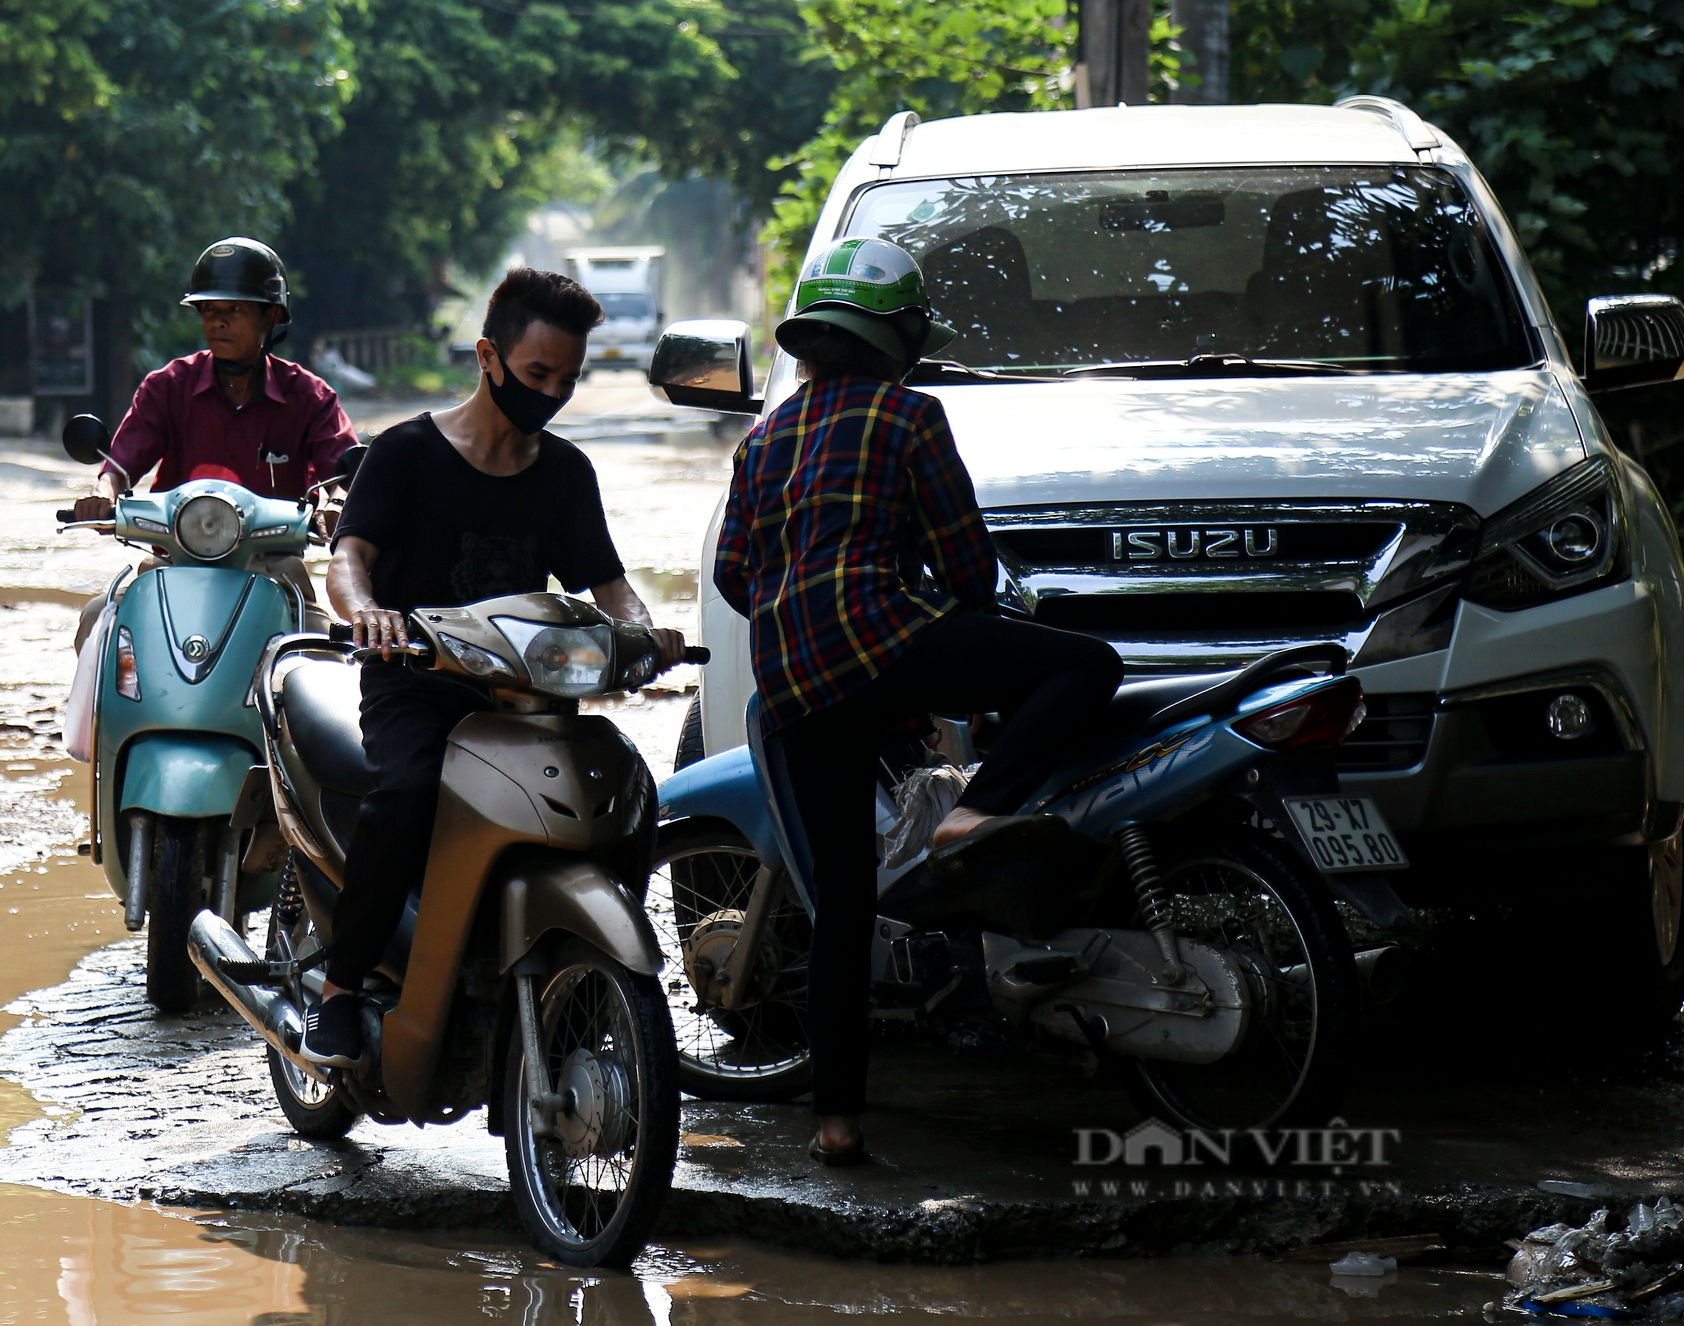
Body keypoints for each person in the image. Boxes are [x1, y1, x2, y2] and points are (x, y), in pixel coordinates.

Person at [712, 237, 1125, 1166]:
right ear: (898, 336)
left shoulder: (762, 438)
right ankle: (974, 814)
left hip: (794, 683)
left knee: (844, 903)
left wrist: (802, 605)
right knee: (1084, 666)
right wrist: (942, 622)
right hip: (886, 643)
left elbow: (737, 575)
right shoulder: (910, 416)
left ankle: (837, 1122)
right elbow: (969, 567)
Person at [300, 267, 685, 1067]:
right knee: (404, 795)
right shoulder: (406, 453)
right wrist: (367, 610)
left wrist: (645, 632)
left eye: (568, 380)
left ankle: (580, 977)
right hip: (414, 682)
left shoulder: (567, 474)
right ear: (488, 355)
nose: (551, 392)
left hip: (525, 698)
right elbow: (350, 559)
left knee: (623, 791)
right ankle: (339, 989)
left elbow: (609, 588)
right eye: (538, 373)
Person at [71, 236, 357, 648]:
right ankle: (98, 716)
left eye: (234, 310)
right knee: (98, 624)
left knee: (327, 650)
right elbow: (118, 466)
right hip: (173, 561)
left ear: (271, 316)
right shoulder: (167, 387)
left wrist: (335, 505)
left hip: (275, 566)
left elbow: (340, 474)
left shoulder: (309, 397)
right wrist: (102, 495)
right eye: (208, 310)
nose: (216, 322)